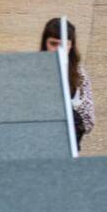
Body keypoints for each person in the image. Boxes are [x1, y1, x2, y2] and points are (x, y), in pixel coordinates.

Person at [40, 18, 94, 148]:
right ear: (45, 43)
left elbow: (88, 121)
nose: (58, 50)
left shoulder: (79, 75)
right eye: (53, 44)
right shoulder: (33, 70)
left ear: (71, 45)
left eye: (63, 45)